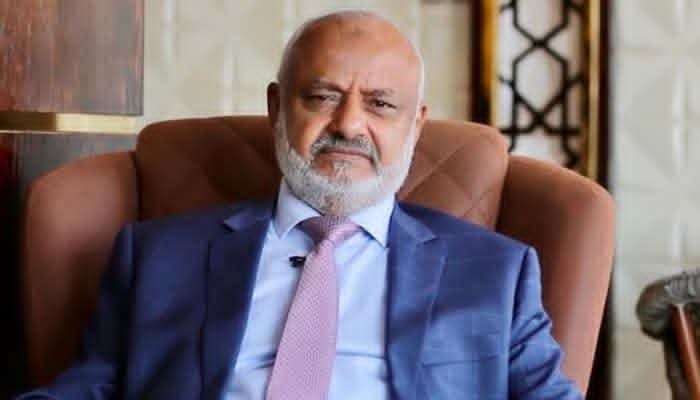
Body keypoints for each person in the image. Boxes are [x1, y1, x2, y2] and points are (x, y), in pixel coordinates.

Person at [18, 10, 583, 400]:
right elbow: (86, 389)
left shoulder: (497, 273)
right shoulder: (158, 257)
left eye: (381, 104)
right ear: (277, 108)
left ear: (416, 124)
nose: (349, 125)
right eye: (323, 96)